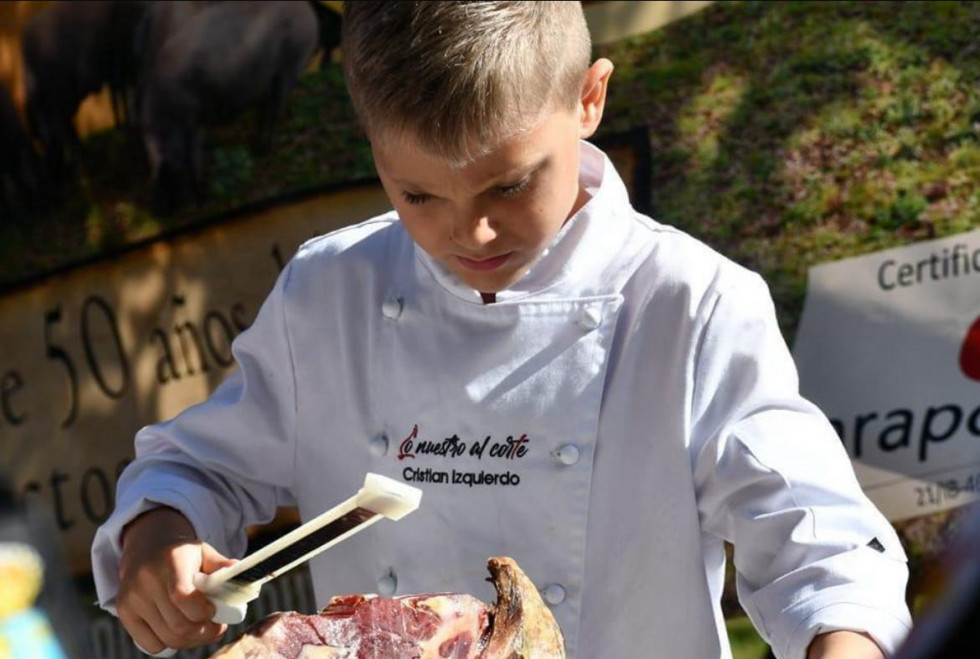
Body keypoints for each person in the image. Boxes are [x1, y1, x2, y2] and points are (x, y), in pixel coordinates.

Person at [91, 2, 912, 657]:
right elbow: (201, 467)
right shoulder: (329, 291)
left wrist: (841, 637)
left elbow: (818, 544)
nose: (470, 235)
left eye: (510, 186)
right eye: (419, 197)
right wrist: (159, 536)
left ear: (589, 99)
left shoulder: (689, 301)